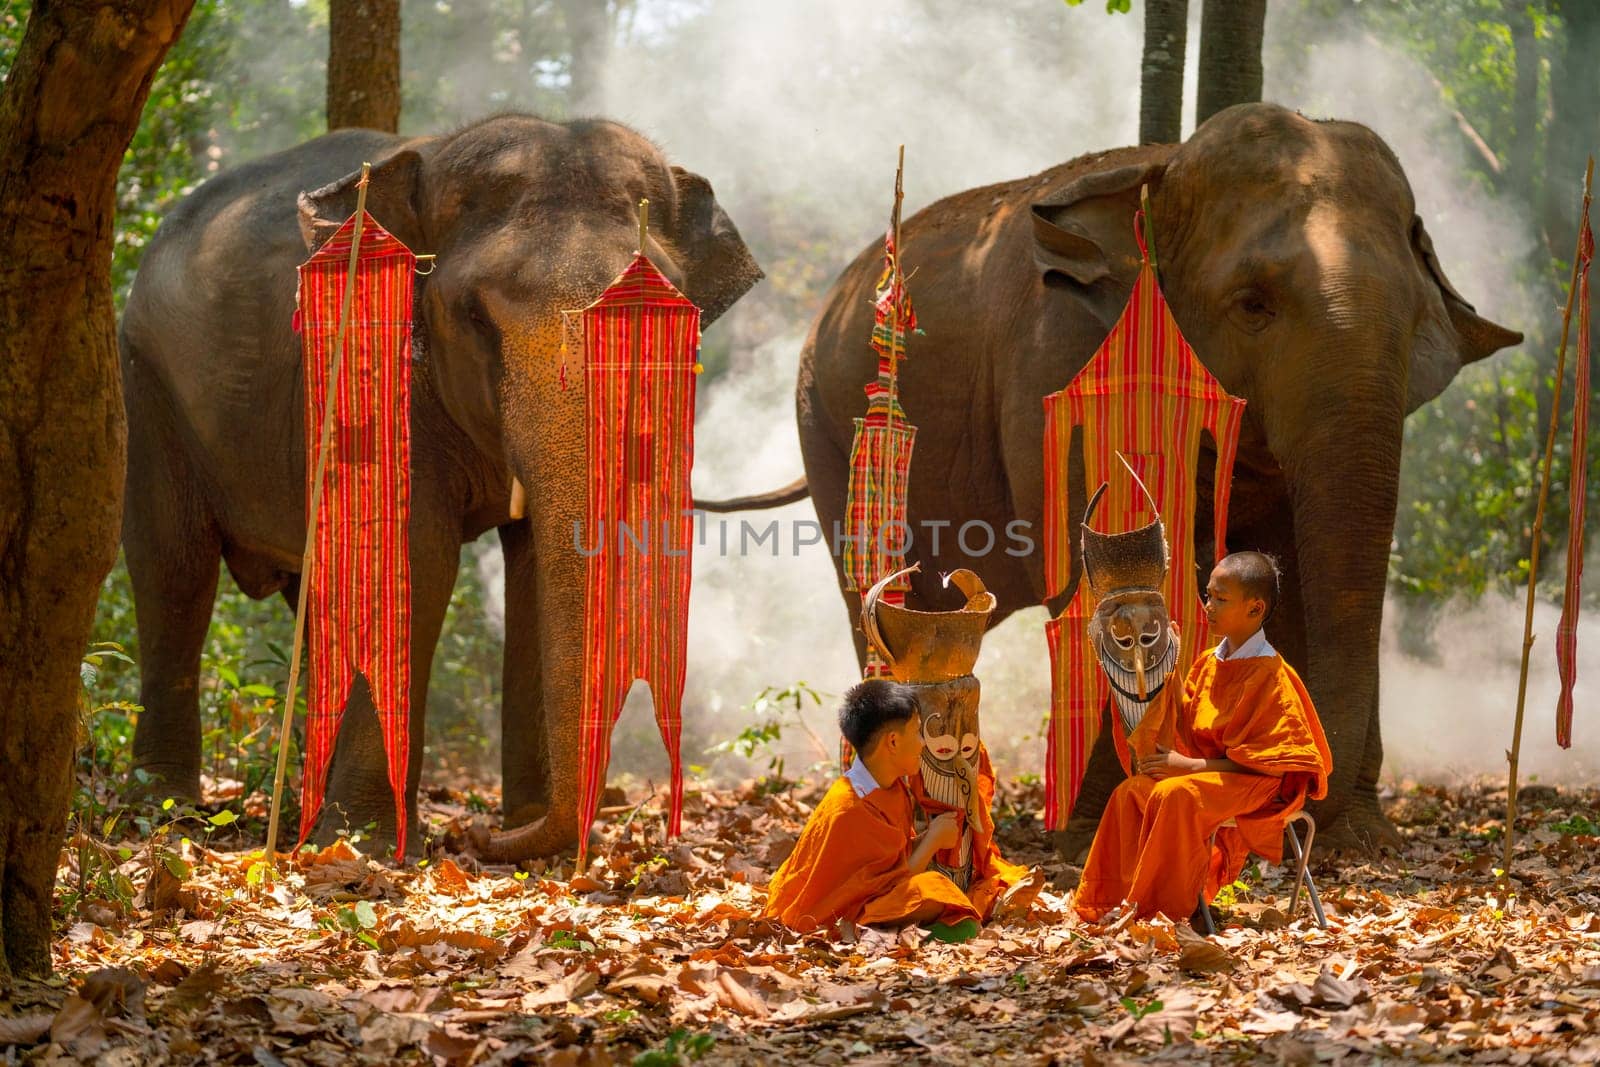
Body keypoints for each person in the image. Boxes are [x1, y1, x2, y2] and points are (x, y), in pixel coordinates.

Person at [1073, 550, 1333, 926]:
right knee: (1131, 792)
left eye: (1221, 599)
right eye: (1208, 595)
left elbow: (1270, 761)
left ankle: (1157, 911)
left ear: (1255, 608)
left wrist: (1190, 766)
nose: (1209, 606)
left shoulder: (1273, 674)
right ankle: (1106, 901)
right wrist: (1169, 662)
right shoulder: (1210, 661)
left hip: (1257, 784)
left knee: (1173, 794)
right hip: (1213, 776)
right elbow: (1187, 720)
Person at [765, 678, 983, 938]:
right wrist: (933, 841)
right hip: (825, 915)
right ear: (892, 742)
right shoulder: (851, 807)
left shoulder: (892, 786)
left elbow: (890, 860)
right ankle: (893, 937)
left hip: (868, 900)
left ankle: (902, 933)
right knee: (932, 890)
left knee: (937, 894)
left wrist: (927, 836)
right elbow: (891, 882)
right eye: (916, 732)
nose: (923, 742)